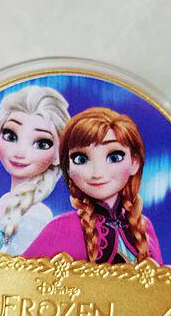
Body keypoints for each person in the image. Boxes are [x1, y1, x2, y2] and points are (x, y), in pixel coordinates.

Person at [23, 107, 162, 265]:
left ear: (134, 163)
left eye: (114, 157)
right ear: (68, 168)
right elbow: (22, 274)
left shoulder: (144, 227)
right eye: (81, 159)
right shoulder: (62, 227)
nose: (97, 172)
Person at [0, 85, 70, 255]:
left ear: (58, 155)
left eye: (41, 143)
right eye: (10, 136)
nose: (20, 152)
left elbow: (22, 268)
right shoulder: (5, 200)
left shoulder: (37, 214)